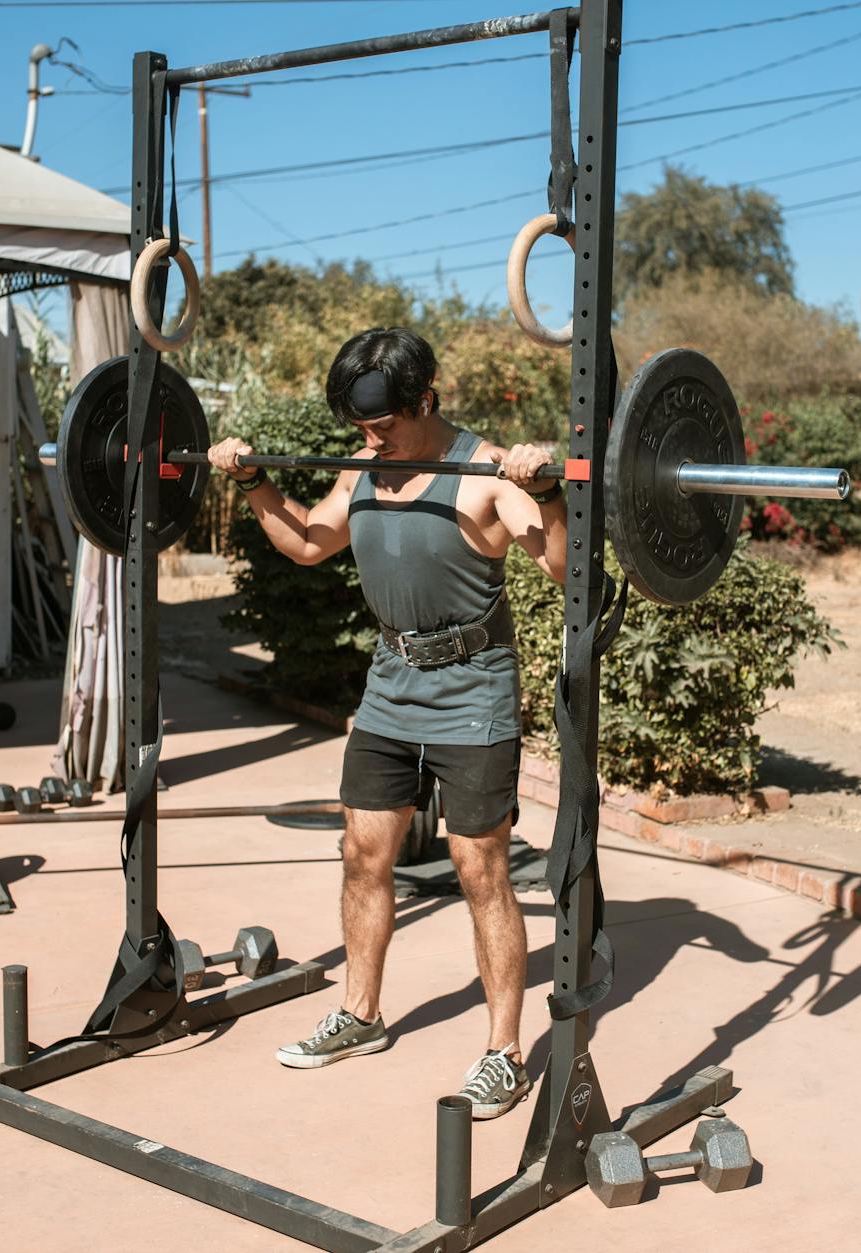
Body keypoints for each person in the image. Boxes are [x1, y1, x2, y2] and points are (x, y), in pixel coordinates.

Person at [205, 327, 565, 1120]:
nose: (370, 438)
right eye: (360, 426)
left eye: (383, 424)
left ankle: (503, 1052)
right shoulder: (363, 469)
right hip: (390, 686)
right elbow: (307, 542)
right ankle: (360, 1014)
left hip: (473, 690)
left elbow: (564, 568)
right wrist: (258, 483)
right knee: (362, 853)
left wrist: (545, 493)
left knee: (480, 870)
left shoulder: (480, 471)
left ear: (424, 399)